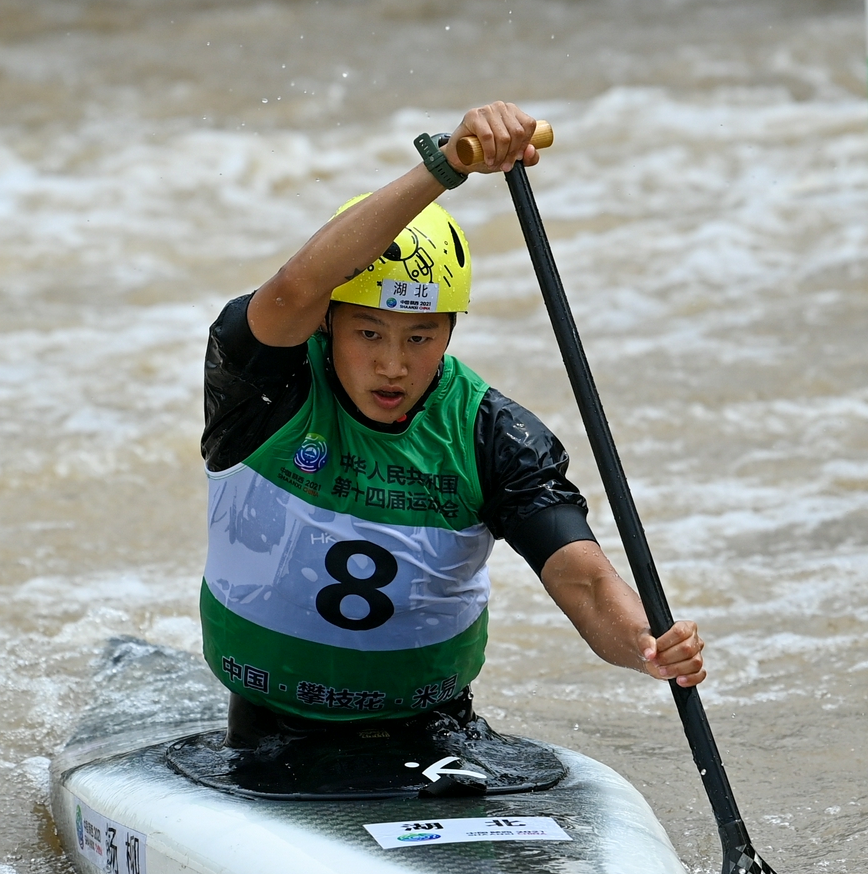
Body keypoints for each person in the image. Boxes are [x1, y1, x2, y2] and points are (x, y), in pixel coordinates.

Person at [201, 101, 704, 745]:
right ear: (329, 321)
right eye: (369, 331)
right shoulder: (264, 386)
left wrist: (647, 644)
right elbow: (298, 287)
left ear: (450, 332)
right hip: (268, 728)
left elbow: (584, 579)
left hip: (437, 732)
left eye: (420, 337)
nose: (392, 365)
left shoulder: (493, 436)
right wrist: (444, 166)